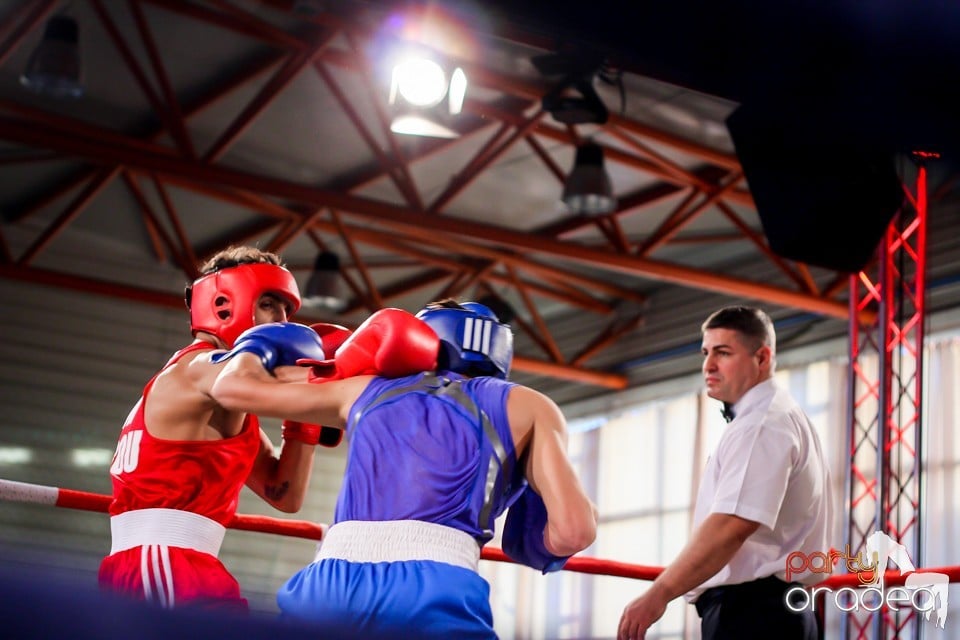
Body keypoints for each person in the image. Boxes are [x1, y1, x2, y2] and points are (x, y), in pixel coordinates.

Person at [209, 299, 599, 639]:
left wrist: (262, 343)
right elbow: (573, 532)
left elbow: (229, 389)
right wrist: (532, 526)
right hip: (436, 584)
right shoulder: (528, 405)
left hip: (329, 579)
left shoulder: (360, 388)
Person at [98, 246, 342, 612]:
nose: (283, 320)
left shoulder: (226, 399)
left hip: (188, 563)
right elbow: (258, 378)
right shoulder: (198, 369)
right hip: (160, 561)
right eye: (269, 304)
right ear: (225, 303)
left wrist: (303, 424)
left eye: (286, 310)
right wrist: (335, 372)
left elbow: (284, 494)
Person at [618, 305, 833, 640]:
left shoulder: (761, 424)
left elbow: (731, 526)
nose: (708, 366)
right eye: (706, 352)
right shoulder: (780, 414)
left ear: (762, 358)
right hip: (775, 611)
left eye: (723, 352)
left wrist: (658, 594)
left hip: (755, 614)